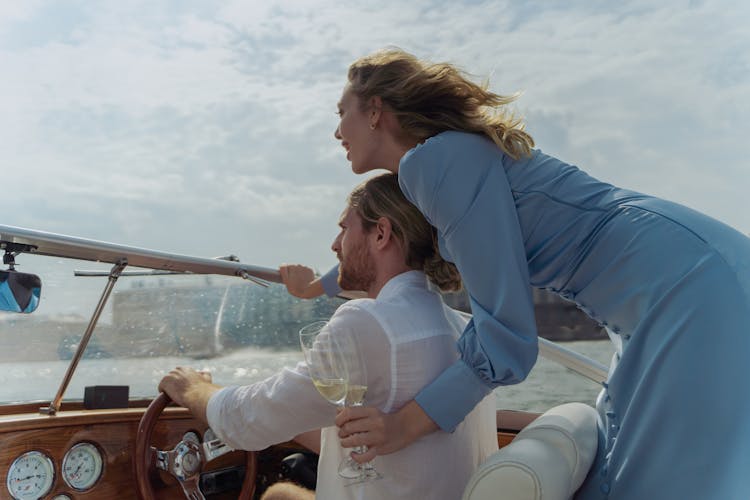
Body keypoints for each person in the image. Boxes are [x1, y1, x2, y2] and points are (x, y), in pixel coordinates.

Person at [285, 48, 750, 499]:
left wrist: (403, 425)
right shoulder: (437, 167)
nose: (336, 132)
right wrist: (315, 286)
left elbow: (506, 341)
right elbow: (387, 236)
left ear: (374, 111)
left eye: (340, 112)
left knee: (663, 479)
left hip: (681, 288)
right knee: (626, 466)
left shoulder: (435, 165)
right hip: (680, 273)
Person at [159, 173, 498, 500]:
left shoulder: (366, 321)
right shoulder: (460, 326)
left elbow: (245, 421)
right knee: (280, 495)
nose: (335, 245)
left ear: (381, 233)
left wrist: (191, 387)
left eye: (343, 229)